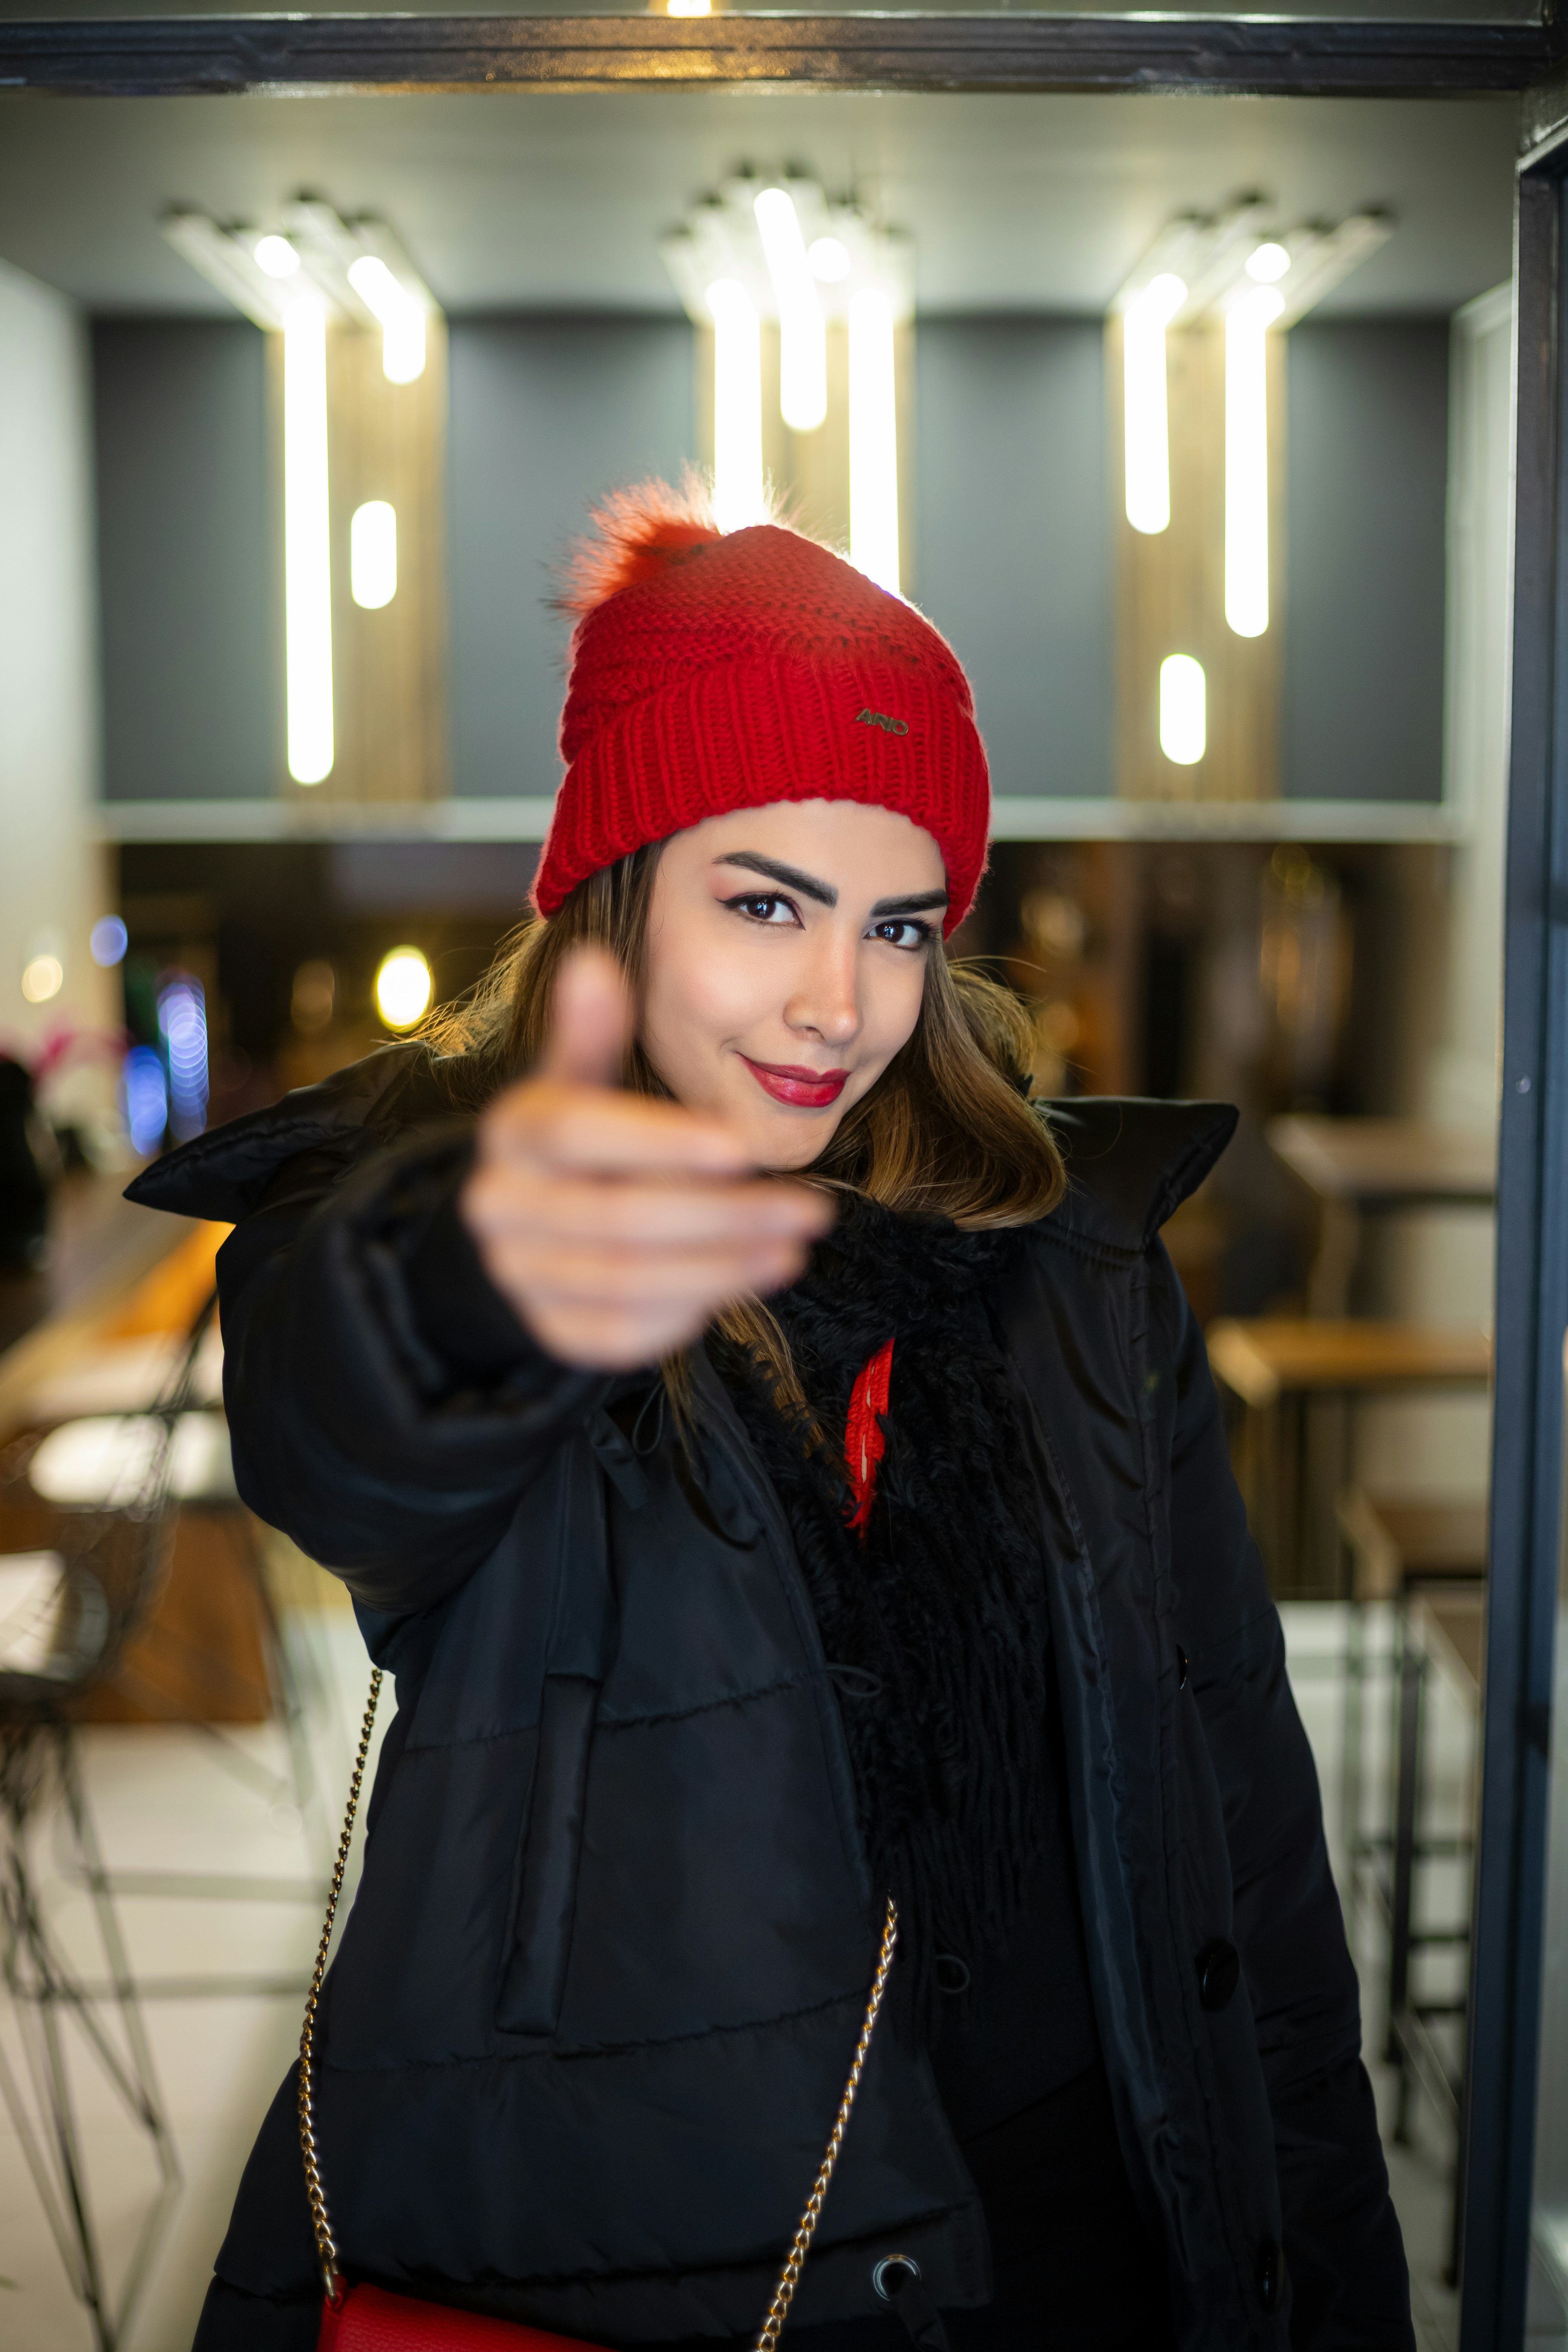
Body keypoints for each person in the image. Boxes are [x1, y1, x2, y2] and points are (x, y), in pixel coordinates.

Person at [131, 484, 1413, 2352]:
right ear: (614, 900)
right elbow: (351, 1425)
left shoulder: (1074, 1274)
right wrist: (471, 1270)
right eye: (763, 904)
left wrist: (1323, 2282)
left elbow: (1247, 1867)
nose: (839, 1002)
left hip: (1101, 2240)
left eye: (897, 925)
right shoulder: (486, 1229)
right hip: (715, 2273)